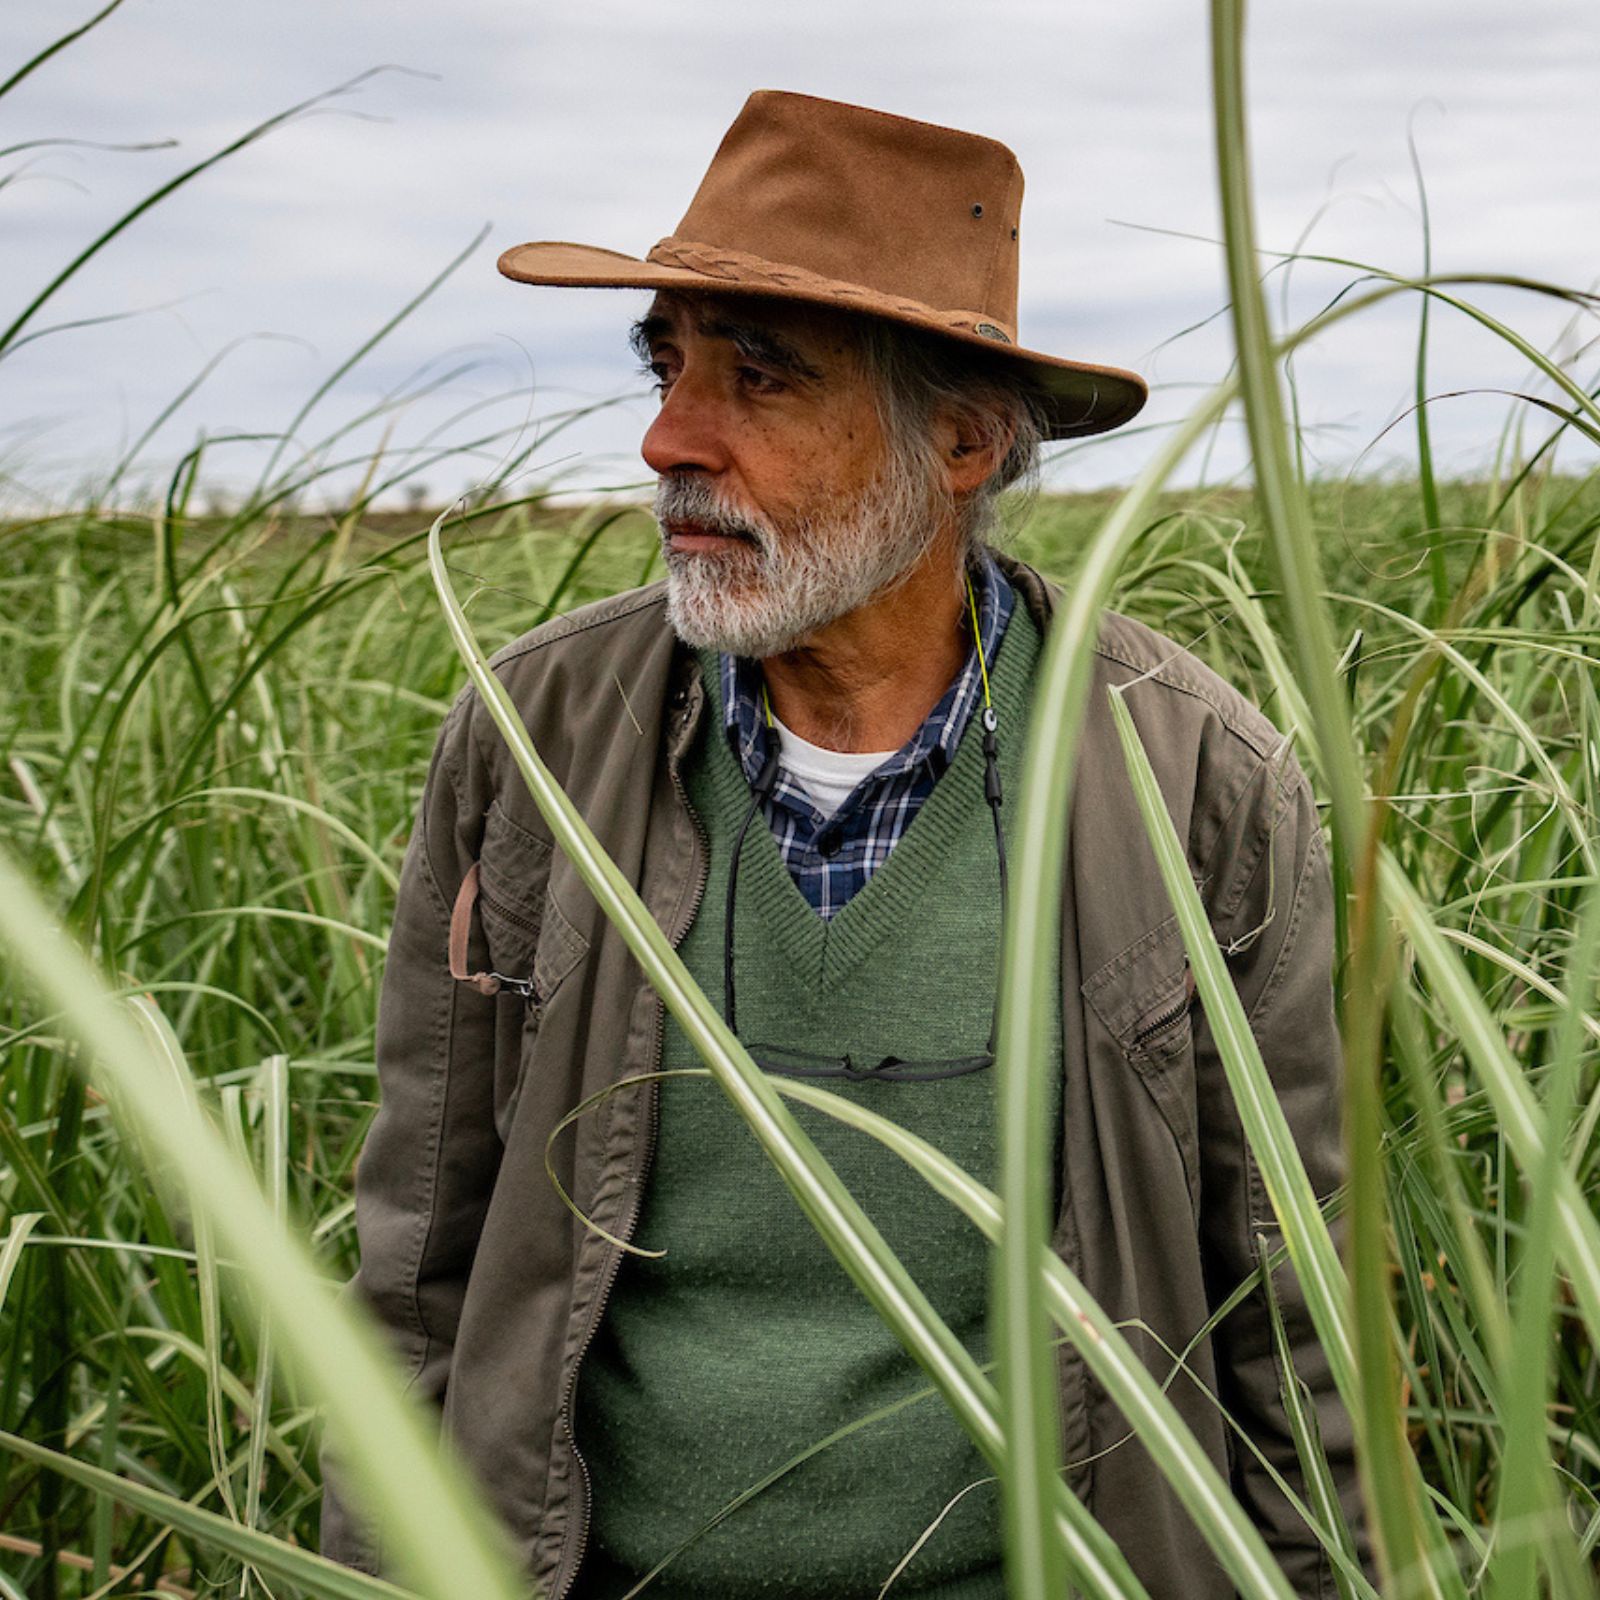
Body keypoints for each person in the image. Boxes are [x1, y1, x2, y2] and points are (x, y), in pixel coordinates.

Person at [319, 89, 1362, 1599]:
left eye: (759, 379)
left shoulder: (1198, 781)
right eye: (666, 364)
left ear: (955, 439)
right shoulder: (534, 735)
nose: (669, 437)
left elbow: (1290, 1324)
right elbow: (418, 1260)